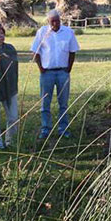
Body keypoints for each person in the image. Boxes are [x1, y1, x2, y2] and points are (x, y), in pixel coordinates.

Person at [31, 9, 80, 139]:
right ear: (48, 21)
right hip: (47, 73)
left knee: (63, 103)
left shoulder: (68, 32)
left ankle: (63, 129)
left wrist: (68, 69)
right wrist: (41, 68)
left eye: (57, 21)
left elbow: (72, 51)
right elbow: (35, 52)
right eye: (52, 21)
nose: (55, 24)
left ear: (60, 20)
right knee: (45, 103)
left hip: (63, 72)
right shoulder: (42, 32)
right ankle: (45, 129)